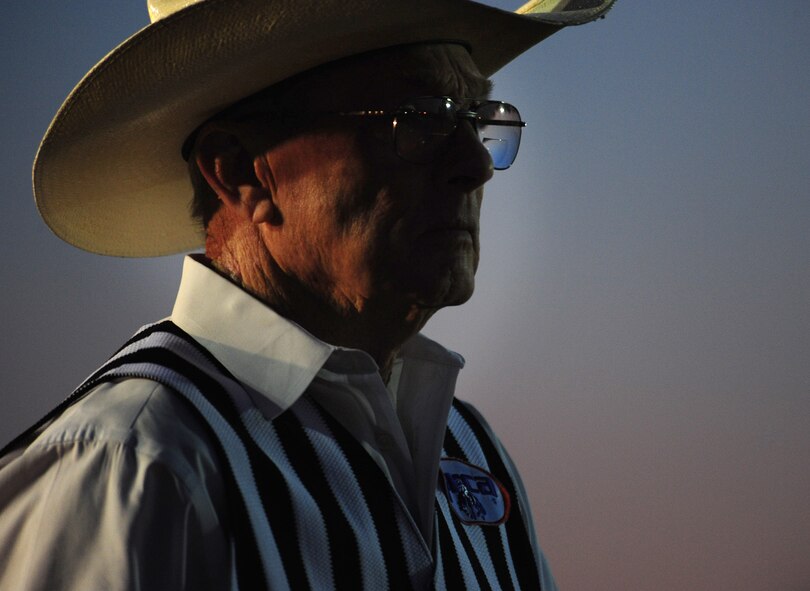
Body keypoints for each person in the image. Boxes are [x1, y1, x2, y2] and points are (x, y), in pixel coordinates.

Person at [0, 0, 615, 589]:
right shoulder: (133, 464)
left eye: (474, 119)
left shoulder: (472, 452)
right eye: (420, 118)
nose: (475, 165)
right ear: (241, 170)